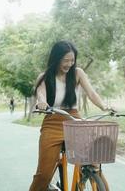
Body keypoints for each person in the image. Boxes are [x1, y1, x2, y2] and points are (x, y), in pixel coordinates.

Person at [29, 41, 112, 191]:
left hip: (74, 120)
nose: (69, 64)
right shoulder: (45, 77)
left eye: (72, 60)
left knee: (94, 163)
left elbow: (92, 93)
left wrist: (104, 106)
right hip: (52, 121)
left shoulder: (77, 73)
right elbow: (40, 94)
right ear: (56, 59)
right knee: (44, 174)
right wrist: (41, 102)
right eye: (65, 60)